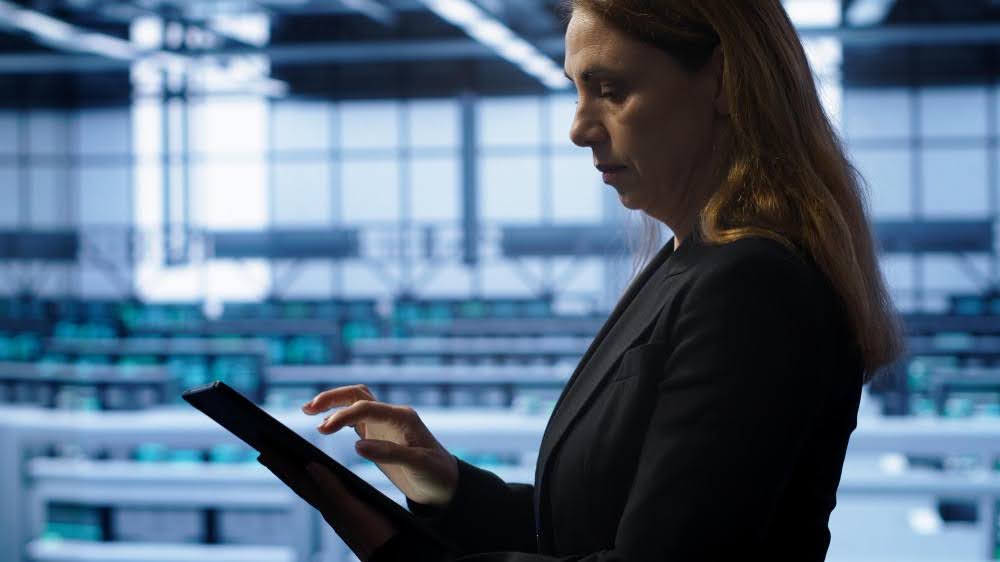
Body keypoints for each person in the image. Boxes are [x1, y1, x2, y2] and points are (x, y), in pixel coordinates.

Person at [256, 1, 906, 560]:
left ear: (724, 84)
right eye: (576, 90)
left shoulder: (752, 286)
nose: (578, 128)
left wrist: (400, 551)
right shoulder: (691, 263)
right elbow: (600, 526)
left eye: (613, 91)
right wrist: (451, 487)